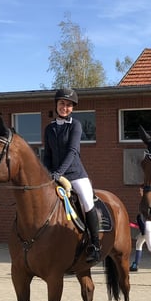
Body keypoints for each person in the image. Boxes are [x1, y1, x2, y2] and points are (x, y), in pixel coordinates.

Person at [43, 88, 101, 262]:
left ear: (72, 108)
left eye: (68, 105)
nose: (65, 107)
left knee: (86, 201)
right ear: (56, 105)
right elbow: (47, 155)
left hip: (75, 174)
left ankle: (95, 245)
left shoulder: (75, 125)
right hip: (54, 175)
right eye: (62, 104)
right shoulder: (49, 128)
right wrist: (47, 174)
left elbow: (73, 151)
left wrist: (59, 173)